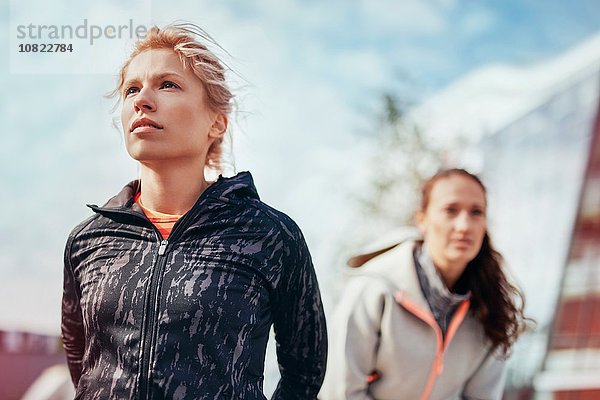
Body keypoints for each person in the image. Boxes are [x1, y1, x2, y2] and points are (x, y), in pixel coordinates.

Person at [61, 23, 327, 400]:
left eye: (167, 84)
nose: (142, 100)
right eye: (131, 89)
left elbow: (305, 371)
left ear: (216, 121)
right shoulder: (88, 239)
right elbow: (82, 360)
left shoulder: (269, 235)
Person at [320, 168, 529, 400]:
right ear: (422, 220)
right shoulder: (374, 287)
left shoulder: (491, 309)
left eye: (476, 212)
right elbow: (340, 392)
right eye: (451, 210)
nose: (464, 225)